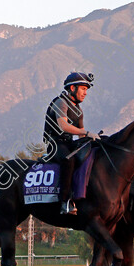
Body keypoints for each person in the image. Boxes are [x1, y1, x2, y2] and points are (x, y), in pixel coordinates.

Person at [43, 72, 99, 215]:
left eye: (87, 90)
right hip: (55, 144)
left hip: (68, 144)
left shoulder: (78, 110)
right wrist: (87, 133)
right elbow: (64, 126)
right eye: (83, 89)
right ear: (72, 88)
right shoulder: (60, 102)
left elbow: (80, 132)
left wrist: (95, 139)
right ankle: (65, 202)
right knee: (69, 160)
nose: (85, 93)